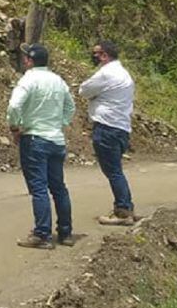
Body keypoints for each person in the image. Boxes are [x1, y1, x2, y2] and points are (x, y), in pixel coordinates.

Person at [7, 44, 76, 249]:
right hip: (56, 140)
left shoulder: (28, 80)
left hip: (35, 139)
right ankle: (65, 233)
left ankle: (42, 234)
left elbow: (14, 106)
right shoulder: (58, 81)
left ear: (29, 61)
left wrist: (14, 127)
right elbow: (70, 107)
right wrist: (59, 124)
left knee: (38, 188)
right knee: (58, 188)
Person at [79, 40, 139, 226]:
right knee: (116, 170)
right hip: (121, 127)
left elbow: (83, 90)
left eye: (96, 53)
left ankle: (122, 211)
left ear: (104, 55)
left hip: (106, 127)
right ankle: (126, 206)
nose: (94, 56)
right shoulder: (124, 74)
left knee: (113, 171)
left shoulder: (106, 74)